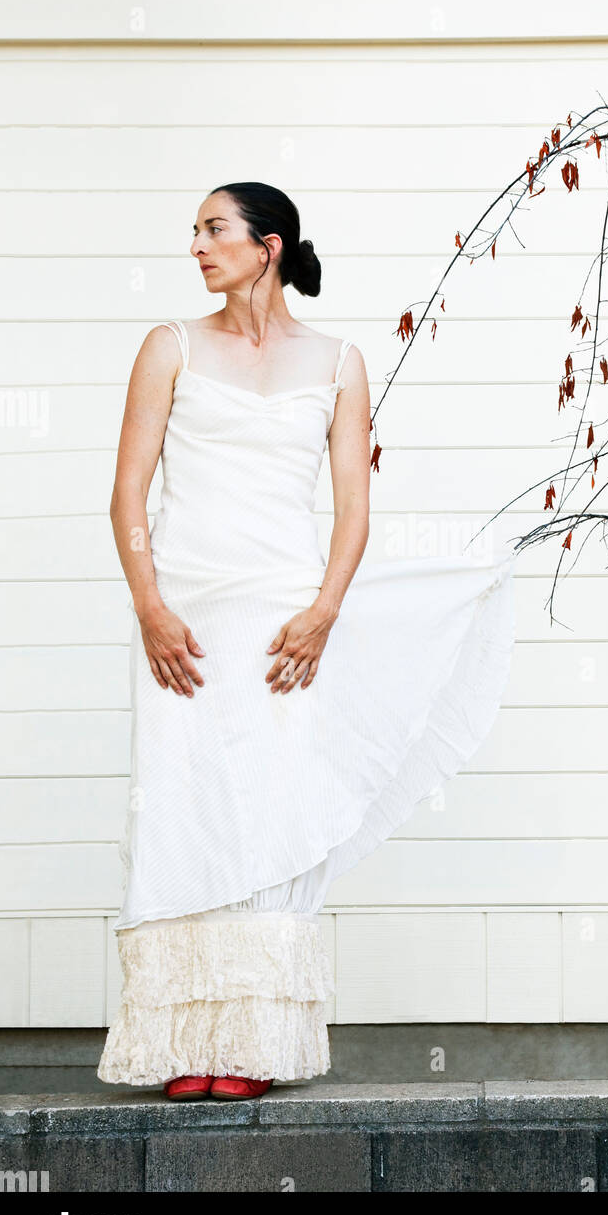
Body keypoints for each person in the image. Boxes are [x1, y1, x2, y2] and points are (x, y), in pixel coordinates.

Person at [97, 182, 517, 1100]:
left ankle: (250, 1045)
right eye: (195, 233)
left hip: (284, 620)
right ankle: (184, 1047)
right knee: (186, 801)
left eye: (215, 230)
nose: (198, 247)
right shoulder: (168, 347)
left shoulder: (337, 361)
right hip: (185, 617)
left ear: (268, 245)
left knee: (268, 806)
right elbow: (129, 494)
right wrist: (149, 606)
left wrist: (325, 610)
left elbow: (353, 509)